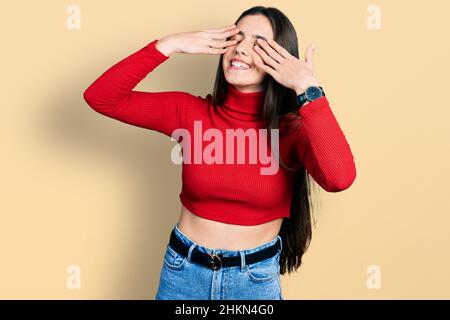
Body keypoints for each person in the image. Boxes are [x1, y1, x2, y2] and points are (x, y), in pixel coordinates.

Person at [83, 6, 356, 300]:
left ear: (282, 58)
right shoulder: (189, 113)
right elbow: (101, 97)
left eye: (258, 43)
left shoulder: (293, 130)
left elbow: (339, 178)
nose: (240, 49)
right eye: (236, 38)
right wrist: (168, 45)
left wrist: (308, 88)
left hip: (253, 282)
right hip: (182, 274)